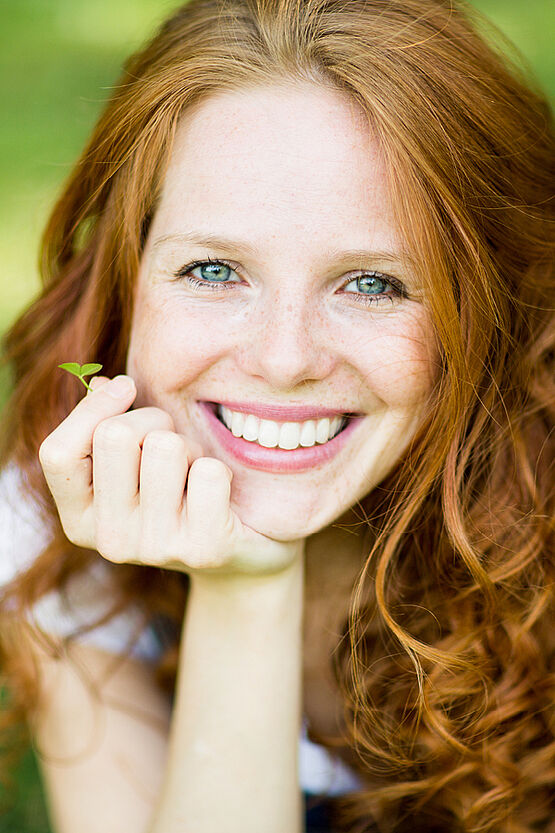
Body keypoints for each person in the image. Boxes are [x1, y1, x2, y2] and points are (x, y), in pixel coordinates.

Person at [0, 0, 553, 830]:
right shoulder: (65, 534)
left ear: (485, 307)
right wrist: (245, 586)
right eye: (214, 268)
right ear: (126, 275)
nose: (285, 359)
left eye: (373, 283)